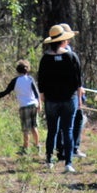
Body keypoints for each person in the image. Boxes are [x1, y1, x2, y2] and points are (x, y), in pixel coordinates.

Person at [38, 24, 83, 173]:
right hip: (69, 99)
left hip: (51, 100)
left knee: (52, 130)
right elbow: (78, 80)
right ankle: (68, 163)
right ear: (63, 40)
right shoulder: (71, 56)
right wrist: (79, 99)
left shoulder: (45, 58)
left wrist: (42, 96)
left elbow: (41, 80)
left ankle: (49, 159)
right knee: (68, 130)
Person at [0, 59, 41, 156]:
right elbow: (37, 93)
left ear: (17, 70)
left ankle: (25, 148)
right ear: (27, 70)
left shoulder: (15, 81)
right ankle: (37, 146)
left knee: (25, 128)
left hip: (24, 106)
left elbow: (6, 92)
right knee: (34, 127)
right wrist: (40, 104)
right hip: (33, 105)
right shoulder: (30, 79)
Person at [53, 24, 87, 160]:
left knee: (68, 121)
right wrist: (78, 90)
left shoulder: (58, 51)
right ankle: (70, 148)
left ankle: (67, 149)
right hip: (70, 94)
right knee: (75, 119)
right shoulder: (65, 53)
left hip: (69, 92)